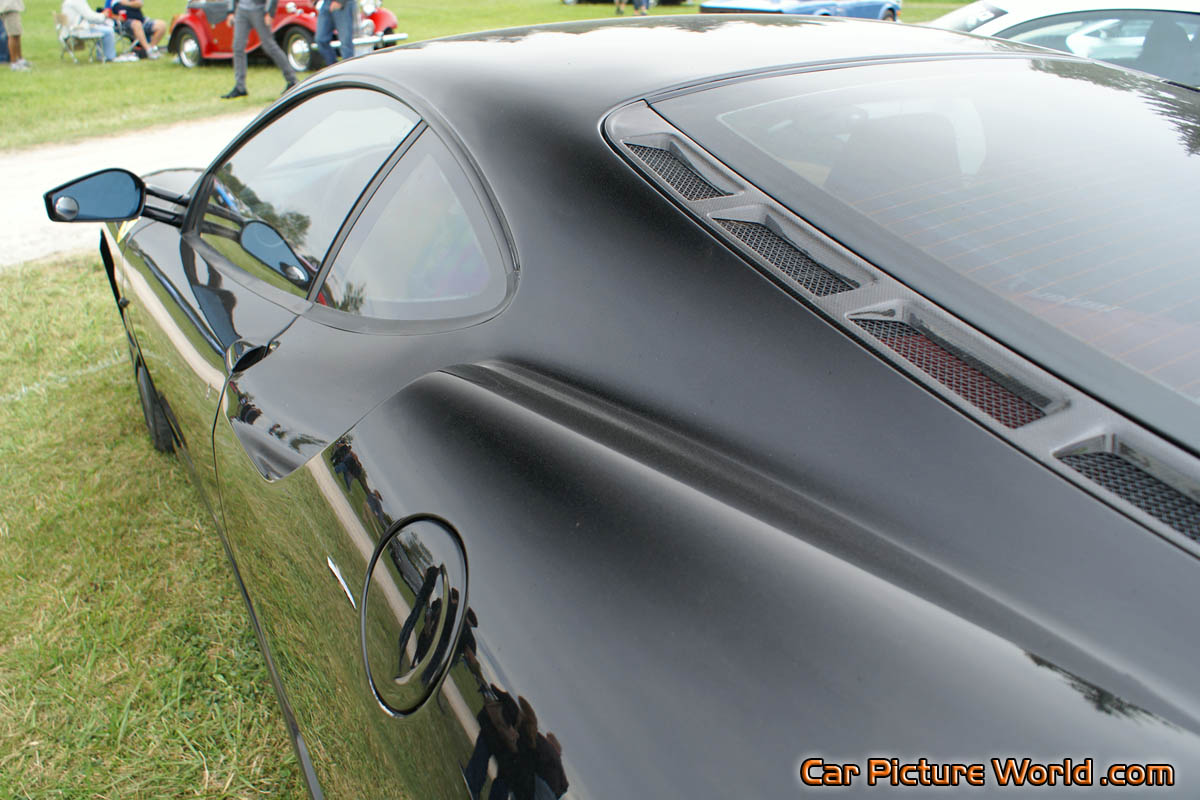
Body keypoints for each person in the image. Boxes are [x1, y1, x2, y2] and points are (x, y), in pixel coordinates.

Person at [221, 0, 296, 98]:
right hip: (241, 9)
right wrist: (230, 11)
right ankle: (240, 87)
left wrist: (269, 12)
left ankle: (292, 80)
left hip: (259, 9)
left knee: (269, 46)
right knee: (237, 47)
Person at [315, 0, 354, 67]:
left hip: (343, 4)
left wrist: (340, 2)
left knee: (346, 42)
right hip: (326, 3)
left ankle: (349, 70)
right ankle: (334, 68)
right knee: (320, 39)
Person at [0, 0, 29, 72]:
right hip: (9, 7)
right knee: (12, 35)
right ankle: (14, 62)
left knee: (16, 34)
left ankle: (19, 59)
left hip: (12, 7)